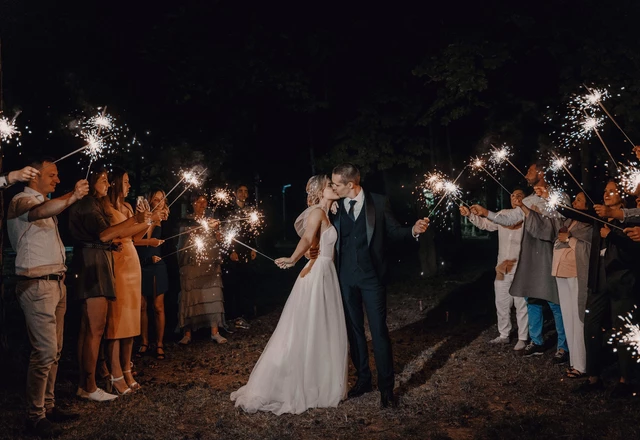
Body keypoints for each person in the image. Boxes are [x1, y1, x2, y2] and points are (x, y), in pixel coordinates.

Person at [231, 175, 348, 414]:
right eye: (330, 186)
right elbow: (307, 238)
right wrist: (294, 258)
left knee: (321, 327)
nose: (334, 188)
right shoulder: (317, 212)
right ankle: (300, 381)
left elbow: (316, 242)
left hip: (326, 272)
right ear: (319, 191)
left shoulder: (327, 213)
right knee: (309, 327)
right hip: (316, 274)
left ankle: (320, 378)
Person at [330, 163, 429, 408]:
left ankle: (387, 389)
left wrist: (413, 231)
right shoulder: (334, 206)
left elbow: (394, 232)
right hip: (345, 279)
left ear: (350, 185)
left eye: (335, 184)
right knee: (354, 332)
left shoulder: (379, 202)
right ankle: (363, 379)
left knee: (379, 331)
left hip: (372, 278)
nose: (332, 187)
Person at [7, 158, 88, 438]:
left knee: (54, 352)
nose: (56, 180)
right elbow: (40, 211)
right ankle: (35, 416)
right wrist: (74, 196)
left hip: (56, 284)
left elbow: (49, 208)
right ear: (34, 177)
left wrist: (71, 196)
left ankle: (49, 407)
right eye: (51, 175)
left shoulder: (46, 204)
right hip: (36, 286)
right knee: (43, 352)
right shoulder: (20, 200)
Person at [470, 161, 569, 362]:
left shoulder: (559, 196)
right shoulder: (530, 199)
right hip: (531, 255)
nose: (526, 174)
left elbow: (563, 221)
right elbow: (507, 219)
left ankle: (563, 346)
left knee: (555, 301)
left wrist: (550, 200)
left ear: (541, 172)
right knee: (532, 299)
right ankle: (536, 341)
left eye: (529, 170)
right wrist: (484, 212)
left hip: (552, 252)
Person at [69, 168, 150, 402]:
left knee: (91, 329)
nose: (108, 184)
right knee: (94, 329)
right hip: (92, 265)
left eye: (107, 180)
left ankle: (88, 382)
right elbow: (104, 235)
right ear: (92, 182)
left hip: (99, 261)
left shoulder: (96, 205)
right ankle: (89, 384)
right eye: (103, 181)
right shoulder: (88, 205)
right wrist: (135, 220)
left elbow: (107, 237)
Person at [569, 181, 640, 398]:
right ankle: (593, 377)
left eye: (611, 191)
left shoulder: (632, 219)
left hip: (622, 281)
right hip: (598, 281)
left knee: (624, 330)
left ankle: (625, 380)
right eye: (604, 190)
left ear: (622, 196)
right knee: (591, 326)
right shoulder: (598, 218)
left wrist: (613, 236)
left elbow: (633, 253)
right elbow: (577, 215)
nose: (606, 194)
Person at [516, 192, 592, 378]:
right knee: (568, 317)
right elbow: (546, 226)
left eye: (579, 201)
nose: (574, 202)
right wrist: (525, 208)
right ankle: (574, 361)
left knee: (578, 319)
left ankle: (582, 364)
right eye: (575, 199)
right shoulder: (568, 221)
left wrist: (569, 240)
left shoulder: (589, 223)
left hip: (576, 275)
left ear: (589, 206)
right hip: (561, 274)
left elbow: (589, 246)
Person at [104, 169, 164, 395]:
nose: (129, 185)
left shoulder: (129, 207)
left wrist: (152, 221)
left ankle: (127, 369)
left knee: (130, 320)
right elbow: (114, 235)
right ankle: (115, 372)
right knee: (117, 320)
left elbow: (136, 237)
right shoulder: (106, 209)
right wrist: (141, 222)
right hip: (117, 261)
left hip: (132, 261)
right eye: (126, 181)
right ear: (116, 183)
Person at [460, 189, 529, 351]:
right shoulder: (503, 213)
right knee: (502, 300)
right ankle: (504, 334)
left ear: (525, 199)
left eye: (520, 195)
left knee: (521, 303)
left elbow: (512, 223)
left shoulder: (527, 215)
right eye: (513, 195)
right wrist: (470, 215)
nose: (515, 198)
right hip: (503, 265)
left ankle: (523, 337)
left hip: (521, 265)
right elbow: (486, 224)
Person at [176, 193, 226, 344]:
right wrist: (204, 228)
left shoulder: (211, 221)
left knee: (212, 294)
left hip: (209, 262)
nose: (202, 205)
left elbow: (219, 240)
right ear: (192, 204)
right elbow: (187, 237)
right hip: (192, 263)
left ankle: (214, 332)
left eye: (204, 202)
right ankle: (187, 333)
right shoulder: (187, 221)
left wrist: (218, 233)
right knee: (191, 296)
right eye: (198, 202)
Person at [134, 189, 170, 360]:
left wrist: (162, 255)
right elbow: (134, 240)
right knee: (142, 306)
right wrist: (149, 240)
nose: (158, 202)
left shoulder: (167, 221)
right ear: (150, 201)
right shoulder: (142, 218)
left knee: (158, 306)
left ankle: (160, 343)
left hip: (158, 266)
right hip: (141, 264)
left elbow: (171, 244)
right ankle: (144, 342)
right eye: (155, 199)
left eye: (161, 199)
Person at [222, 183, 257, 331]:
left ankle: (244, 315)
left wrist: (254, 247)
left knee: (246, 282)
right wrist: (230, 251)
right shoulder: (228, 211)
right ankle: (232, 316)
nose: (243, 194)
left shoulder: (250, 211)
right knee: (233, 283)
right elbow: (225, 233)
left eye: (245, 191)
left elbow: (253, 231)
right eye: (240, 190)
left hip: (246, 250)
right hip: (233, 251)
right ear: (235, 193)